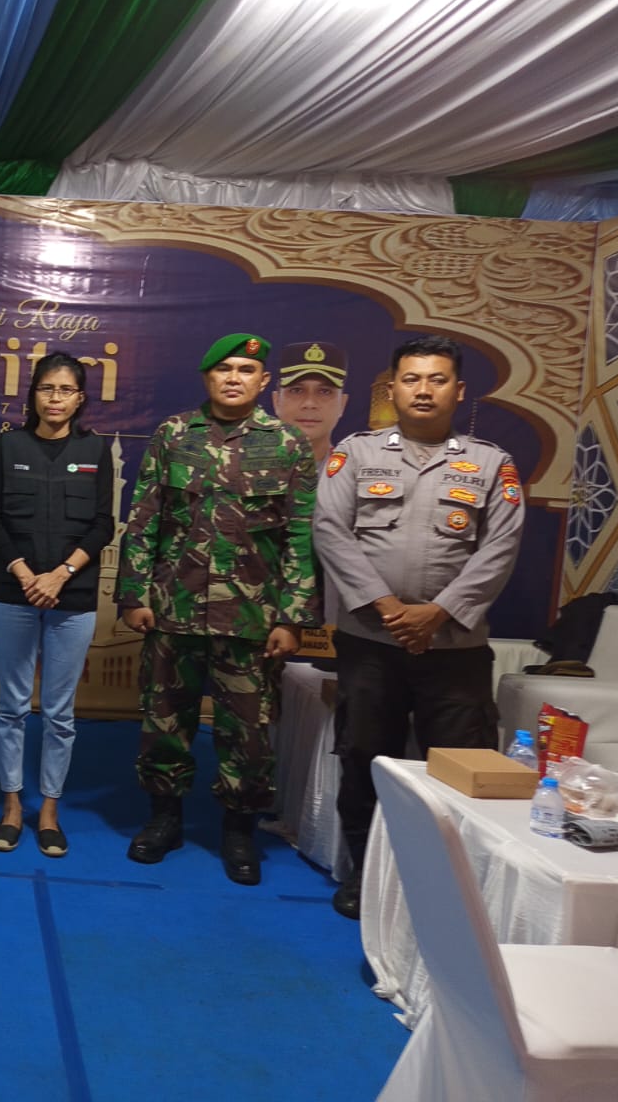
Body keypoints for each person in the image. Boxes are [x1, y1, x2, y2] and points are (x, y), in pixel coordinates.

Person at [312, 334, 524, 919]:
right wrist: (386, 606)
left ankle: (446, 884)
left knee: (457, 765)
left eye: (436, 379)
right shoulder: (356, 454)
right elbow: (330, 530)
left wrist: (439, 612)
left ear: (458, 390)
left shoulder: (491, 463)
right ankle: (365, 870)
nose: (423, 390)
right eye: (411, 379)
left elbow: (501, 548)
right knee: (365, 758)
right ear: (392, 389)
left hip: (453, 647)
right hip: (370, 642)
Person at [119, 333, 319, 885]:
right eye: (224, 369)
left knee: (248, 733)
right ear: (207, 377)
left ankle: (238, 829)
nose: (234, 378)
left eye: (246, 370)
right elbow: (144, 519)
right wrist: (134, 594)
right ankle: (164, 819)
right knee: (165, 721)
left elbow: (301, 536)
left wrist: (292, 617)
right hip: (173, 609)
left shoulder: (288, 444)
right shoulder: (174, 435)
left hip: (251, 617)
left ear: (264, 381)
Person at [0, 353, 114, 858]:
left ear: (80, 399)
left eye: (66, 390)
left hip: (71, 597)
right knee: (11, 707)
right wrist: (24, 573)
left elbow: (103, 524)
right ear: (33, 394)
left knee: (59, 713)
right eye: (46, 389)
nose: (55, 399)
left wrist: (60, 574)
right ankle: (12, 806)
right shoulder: (8, 446)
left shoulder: (96, 450)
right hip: (15, 593)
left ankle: (50, 811)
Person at [272, 341, 350, 467]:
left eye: (325, 391)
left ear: (342, 403)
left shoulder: (355, 472)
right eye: (297, 390)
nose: (310, 403)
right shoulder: (243, 471)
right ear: (276, 401)